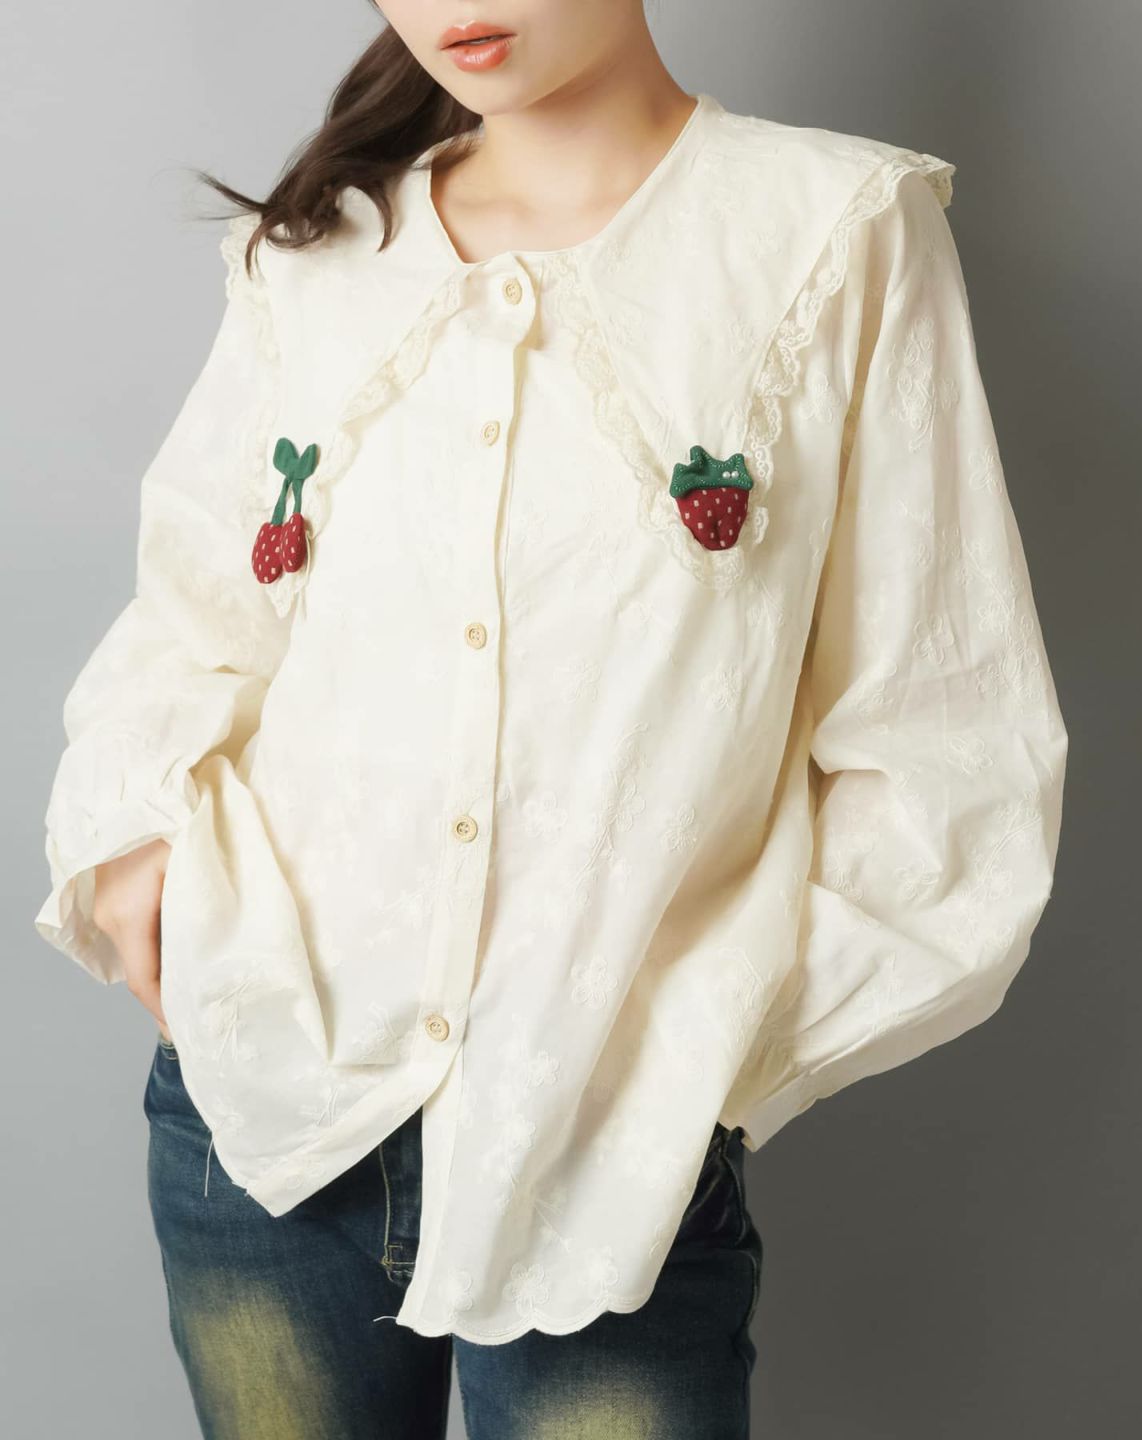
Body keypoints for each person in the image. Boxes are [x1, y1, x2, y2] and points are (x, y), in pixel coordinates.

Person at [34, 2, 1069, 1436]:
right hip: (263, 1110)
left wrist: (703, 1058)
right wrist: (141, 839)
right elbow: (202, 610)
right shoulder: (322, 251)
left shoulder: (830, 234)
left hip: (609, 1165)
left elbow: (947, 733)